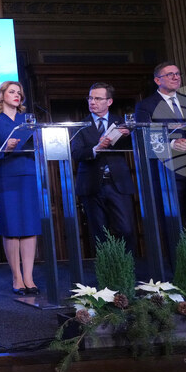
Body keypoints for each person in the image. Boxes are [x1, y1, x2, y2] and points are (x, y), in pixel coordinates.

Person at [135, 62, 186, 252]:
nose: (176, 77)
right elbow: (146, 139)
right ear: (157, 80)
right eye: (170, 74)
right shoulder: (146, 106)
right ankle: (179, 267)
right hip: (168, 174)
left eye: (178, 73)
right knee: (174, 225)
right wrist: (171, 144)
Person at [0, 81, 41, 295]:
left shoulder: (28, 120)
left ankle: (29, 278)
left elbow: (39, 144)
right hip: (4, 177)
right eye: (12, 92)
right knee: (12, 227)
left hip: (28, 175)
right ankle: (17, 278)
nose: (17, 95)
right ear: (2, 95)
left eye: (19, 93)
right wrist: (5, 148)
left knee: (30, 226)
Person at [71, 82, 136, 254]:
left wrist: (131, 135)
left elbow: (137, 146)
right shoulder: (80, 125)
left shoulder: (122, 122)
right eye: (90, 98)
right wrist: (96, 148)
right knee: (99, 233)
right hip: (91, 184)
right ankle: (105, 269)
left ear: (109, 101)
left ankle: (126, 266)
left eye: (98, 98)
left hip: (118, 183)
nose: (92, 102)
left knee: (126, 229)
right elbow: (76, 153)